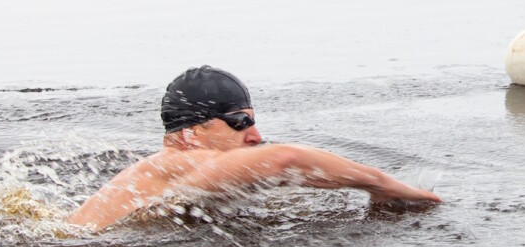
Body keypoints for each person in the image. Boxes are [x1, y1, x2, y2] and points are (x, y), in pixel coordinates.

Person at [68, 65, 441, 231]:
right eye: (239, 121)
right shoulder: (180, 161)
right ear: (190, 134)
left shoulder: (165, 176)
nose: (255, 135)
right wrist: (385, 186)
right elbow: (284, 160)